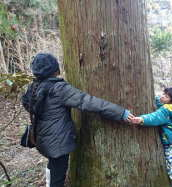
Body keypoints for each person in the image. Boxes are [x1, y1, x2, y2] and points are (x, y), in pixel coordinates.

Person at [21, 53, 134, 187]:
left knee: (53, 167)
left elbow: (27, 104)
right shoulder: (59, 88)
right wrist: (120, 112)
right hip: (58, 142)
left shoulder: (34, 87)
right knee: (57, 175)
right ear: (54, 70)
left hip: (42, 138)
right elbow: (89, 102)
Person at [131, 88, 172, 187]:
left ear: (171, 100)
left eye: (166, 96)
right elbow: (161, 106)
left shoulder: (165, 111)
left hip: (169, 142)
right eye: (164, 94)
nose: (163, 96)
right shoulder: (171, 107)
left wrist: (142, 119)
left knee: (170, 166)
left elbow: (155, 117)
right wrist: (156, 98)